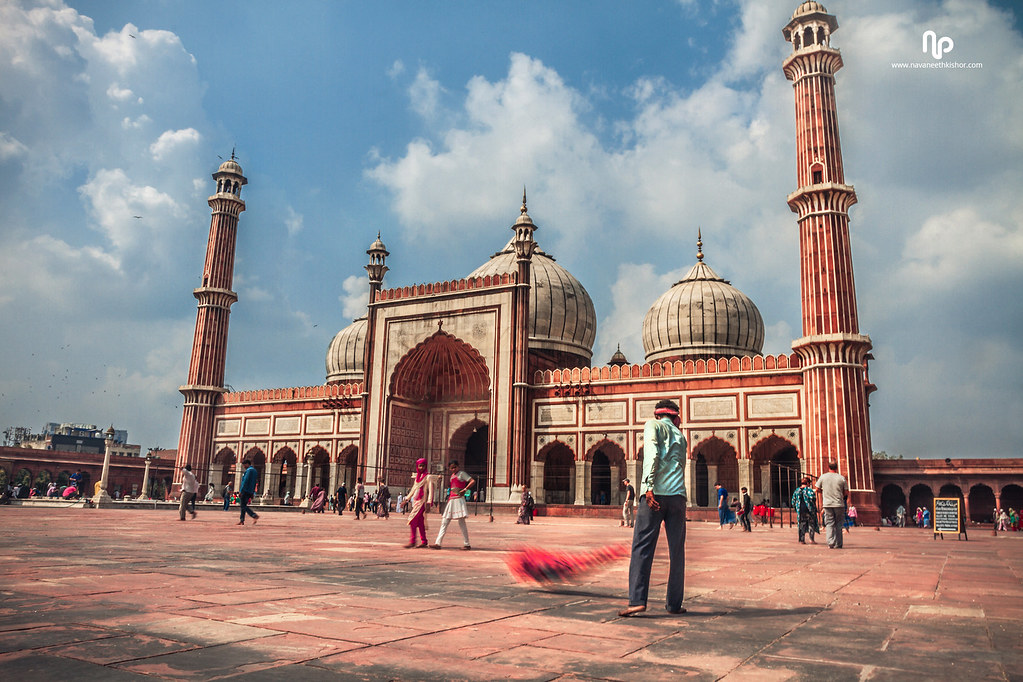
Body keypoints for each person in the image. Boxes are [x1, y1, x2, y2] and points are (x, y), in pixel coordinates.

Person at [619, 399, 687, 618]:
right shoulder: (681, 436)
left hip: (654, 495)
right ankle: (674, 603)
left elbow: (653, 454)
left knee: (642, 547)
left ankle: (637, 600)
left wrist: (648, 487)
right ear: (675, 417)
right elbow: (681, 465)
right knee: (677, 551)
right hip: (678, 497)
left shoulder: (652, 425)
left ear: (658, 414)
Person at [432, 460, 474, 550]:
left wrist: (465, 489)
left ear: (458, 466)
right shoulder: (452, 476)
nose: (453, 469)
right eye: (451, 468)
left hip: (458, 499)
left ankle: (467, 544)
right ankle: (438, 543)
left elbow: (472, 481)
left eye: (455, 467)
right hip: (452, 499)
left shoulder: (461, 474)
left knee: (461, 522)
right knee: (445, 521)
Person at [815, 461, 848, 549]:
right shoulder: (841, 478)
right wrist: (840, 495)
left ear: (828, 467)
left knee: (829, 523)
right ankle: (838, 543)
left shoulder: (823, 477)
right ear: (837, 468)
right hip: (839, 504)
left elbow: (817, 489)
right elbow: (846, 492)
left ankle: (831, 542)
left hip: (827, 504)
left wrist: (824, 492)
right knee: (839, 524)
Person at [405, 458, 433, 547]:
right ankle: (424, 541)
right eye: (420, 466)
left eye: (423, 465)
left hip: (422, 501)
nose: (421, 467)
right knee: (420, 522)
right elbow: (414, 489)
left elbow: (431, 490)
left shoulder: (428, 476)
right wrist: (406, 499)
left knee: (412, 520)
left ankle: (412, 541)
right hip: (416, 501)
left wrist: (429, 502)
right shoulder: (417, 477)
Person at [791, 477, 818, 544]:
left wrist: (796, 508)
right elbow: (813, 498)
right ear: (808, 483)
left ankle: (801, 540)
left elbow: (793, 501)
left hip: (801, 510)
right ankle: (811, 539)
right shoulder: (809, 490)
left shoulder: (797, 490)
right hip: (809, 510)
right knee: (811, 524)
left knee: (801, 524)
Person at [237, 459, 260, 526]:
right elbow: (254, 482)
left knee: (243, 505)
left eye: (244, 465)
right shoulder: (254, 471)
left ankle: (254, 515)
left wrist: (241, 491)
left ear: (247, 464)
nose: (244, 466)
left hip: (245, 490)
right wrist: (252, 492)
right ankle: (242, 520)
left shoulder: (249, 471)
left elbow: (245, 481)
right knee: (243, 505)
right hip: (250, 491)